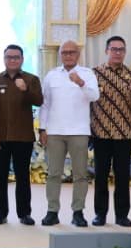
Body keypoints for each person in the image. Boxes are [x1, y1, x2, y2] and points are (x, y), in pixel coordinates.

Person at [38, 40, 100, 226]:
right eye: (64, 52)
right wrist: (42, 128)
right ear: (60, 55)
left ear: (78, 54)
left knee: (80, 174)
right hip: (55, 131)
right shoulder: (51, 75)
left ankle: (78, 212)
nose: (68, 55)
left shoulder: (87, 74)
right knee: (53, 174)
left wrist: (80, 83)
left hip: (79, 131)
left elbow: (94, 96)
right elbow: (45, 104)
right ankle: (52, 211)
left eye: (71, 52)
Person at [0, 44, 44, 226]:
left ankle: (24, 213)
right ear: (4, 59)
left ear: (22, 59)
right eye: (9, 57)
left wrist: (25, 89)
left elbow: (39, 101)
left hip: (23, 138)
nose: (12, 60)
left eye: (16, 57)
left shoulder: (31, 79)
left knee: (22, 177)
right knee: (0, 177)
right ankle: (0, 213)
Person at [90, 36, 131, 227]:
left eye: (121, 49)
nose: (117, 53)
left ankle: (122, 215)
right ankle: (100, 214)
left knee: (122, 176)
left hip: (123, 133)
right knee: (101, 176)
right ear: (106, 51)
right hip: (100, 133)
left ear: (125, 52)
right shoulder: (94, 74)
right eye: (114, 49)